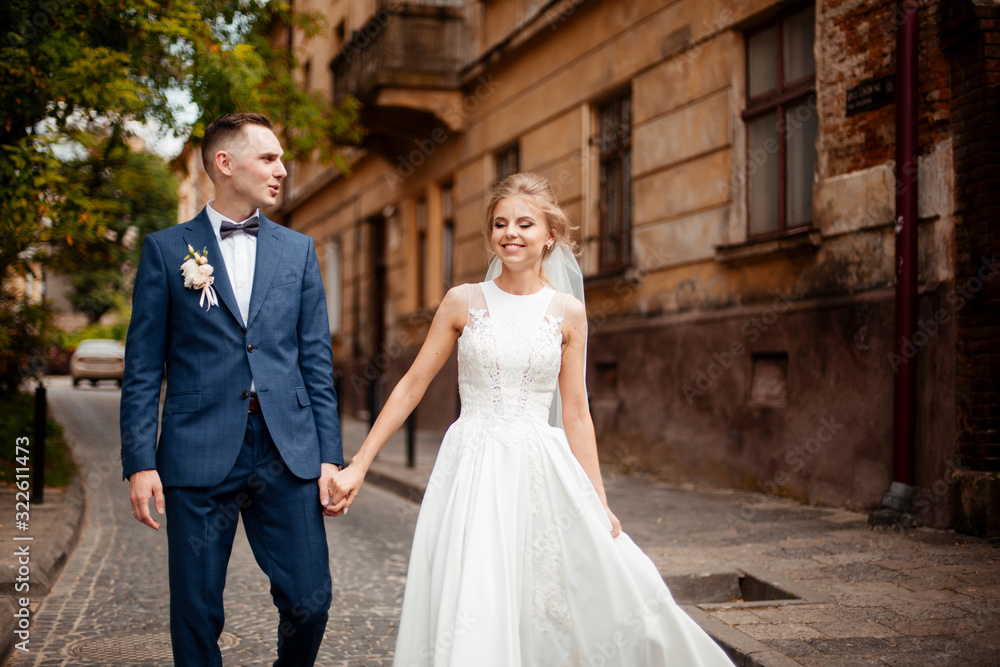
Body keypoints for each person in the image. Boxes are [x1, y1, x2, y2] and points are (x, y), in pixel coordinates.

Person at [328, 173, 735, 665]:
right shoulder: (463, 301)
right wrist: (359, 464)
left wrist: (596, 500)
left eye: (525, 223)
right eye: (500, 224)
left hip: (540, 467)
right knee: (476, 592)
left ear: (551, 236)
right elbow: (412, 384)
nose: (510, 233)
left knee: (557, 589)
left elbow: (577, 412)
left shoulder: (567, 312)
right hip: (472, 468)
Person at [120, 112, 344, 667]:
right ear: (225, 164)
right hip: (197, 449)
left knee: (310, 600)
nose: (283, 171)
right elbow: (144, 366)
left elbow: (316, 360)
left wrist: (330, 457)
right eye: (268, 158)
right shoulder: (167, 250)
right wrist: (139, 462)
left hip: (285, 450)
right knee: (196, 613)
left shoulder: (298, 250)